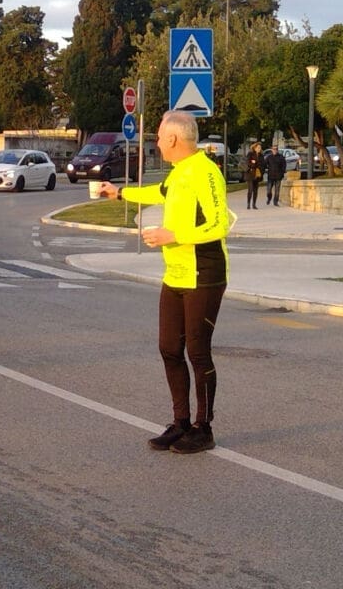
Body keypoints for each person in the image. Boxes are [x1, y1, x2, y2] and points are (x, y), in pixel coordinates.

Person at [96, 110, 231, 454]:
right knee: (169, 348)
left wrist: (175, 234)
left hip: (204, 275)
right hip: (175, 274)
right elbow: (160, 192)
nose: (156, 142)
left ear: (173, 138)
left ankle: (203, 428)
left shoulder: (206, 171)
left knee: (197, 352)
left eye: (158, 136)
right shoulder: (179, 171)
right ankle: (180, 423)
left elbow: (220, 224)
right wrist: (120, 193)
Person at [244, 142, 264, 210]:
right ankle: (248, 204)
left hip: (257, 174)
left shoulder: (261, 155)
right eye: (258, 148)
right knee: (250, 190)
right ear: (255, 148)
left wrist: (261, 170)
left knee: (255, 190)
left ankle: (254, 204)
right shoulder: (250, 154)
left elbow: (262, 164)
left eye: (260, 148)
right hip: (250, 174)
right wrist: (254, 164)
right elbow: (248, 163)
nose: (259, 149)